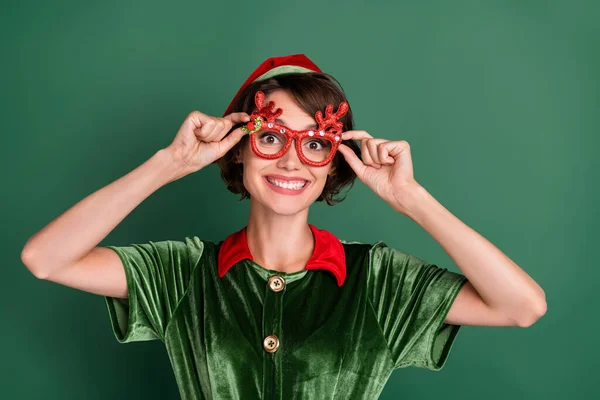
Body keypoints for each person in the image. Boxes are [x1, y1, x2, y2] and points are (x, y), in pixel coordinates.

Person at [21, 54, 547, 399]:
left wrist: (411, 199)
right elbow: (46, 259)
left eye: (315, 143)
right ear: (239, 151)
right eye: (271, 137)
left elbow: (522, 306)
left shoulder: (378, 279)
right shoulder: (183, 272)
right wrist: (170, 164)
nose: (292, 162)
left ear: (335, 162)